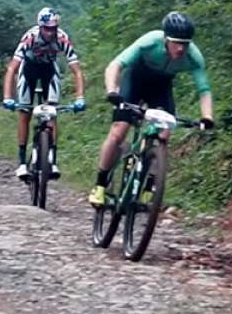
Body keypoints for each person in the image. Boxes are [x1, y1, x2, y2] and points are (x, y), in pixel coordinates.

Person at [89, 11, 213, 206]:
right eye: (176, 42)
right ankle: (100, 185)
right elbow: (115, 65)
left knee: (163, 134)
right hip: (135, 79)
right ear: (165, 39)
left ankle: (149, 187)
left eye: (185, 44)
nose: (181, 49)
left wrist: (207, 116)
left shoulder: (194, 57)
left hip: (161, 87)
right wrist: (112, 91)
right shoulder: (149, 42)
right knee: (119, 132)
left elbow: (204, 90)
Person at [2, 7, 86, 180]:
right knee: (24, 112)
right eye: (47, 29)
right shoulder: (30, 38)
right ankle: (22, 163)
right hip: (29, 70)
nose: (50, 33)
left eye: (53, 28)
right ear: (40, 27)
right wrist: (7, 98)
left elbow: (77, 71)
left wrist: (80, 97)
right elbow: (12, 69)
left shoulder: (62, 38)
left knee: (52, 113)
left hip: (49, 70)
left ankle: (52, 160)